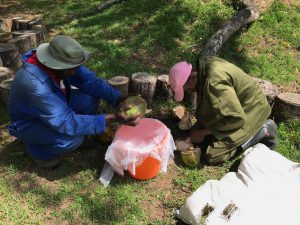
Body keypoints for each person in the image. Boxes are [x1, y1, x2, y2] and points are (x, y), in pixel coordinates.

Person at [8, 35, 138, 168]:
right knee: (72, 140)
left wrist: (118, 98)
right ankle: (38, 151)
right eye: (72, 69)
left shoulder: (59, 61)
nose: (75, 72)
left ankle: (82, 130)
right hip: (30, 122)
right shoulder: (36, 87)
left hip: (53, 107)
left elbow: (90, 81)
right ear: (55, 65)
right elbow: (66, 121)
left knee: (89, 98)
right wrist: (113, 117)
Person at [169, 56, 277, 165]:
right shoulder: (203, 67)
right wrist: (196, 128)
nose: (189, 91)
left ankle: (262, 131)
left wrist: (202, 133)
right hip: (239, 106)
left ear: (193, 77)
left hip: (252, 111)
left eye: (187, 88)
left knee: (213, 155)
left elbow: (235, 119)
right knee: (207, 130)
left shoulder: (214, 83)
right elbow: (211, 103)